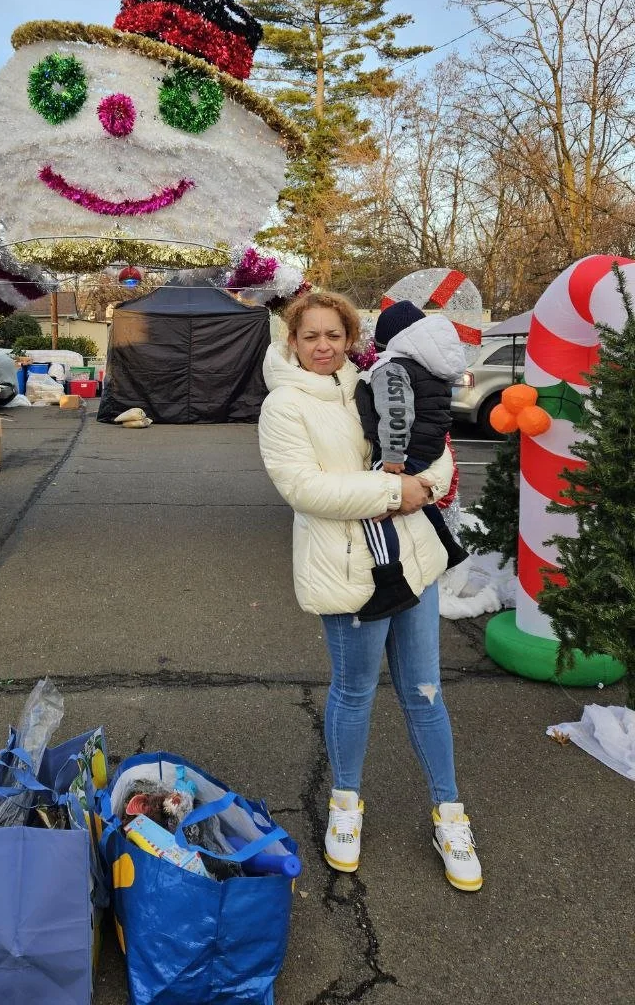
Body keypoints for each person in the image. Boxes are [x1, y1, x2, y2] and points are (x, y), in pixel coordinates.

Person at [258, 290, 482, 892]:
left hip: (413, 564)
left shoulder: (385, 379)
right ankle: (346, 804)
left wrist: (423, 487)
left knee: (426, 693)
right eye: (311, 337)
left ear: (350, 338)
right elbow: (304, 488)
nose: (324, 346)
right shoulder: (284, 406)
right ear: (293, 342)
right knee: (355, 692)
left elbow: (436, 450)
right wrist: (394, 493)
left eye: (334, 335)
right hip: (348, 572)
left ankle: (450, 813)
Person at [352, 300, 469, 622]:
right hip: (427, 446)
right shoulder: (429, 364)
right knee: (415, 492)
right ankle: (449, 546)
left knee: (369, 504)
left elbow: (397, 413)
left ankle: (391, 581)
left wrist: (391, 456)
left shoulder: (392, 366)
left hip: (404, 451)